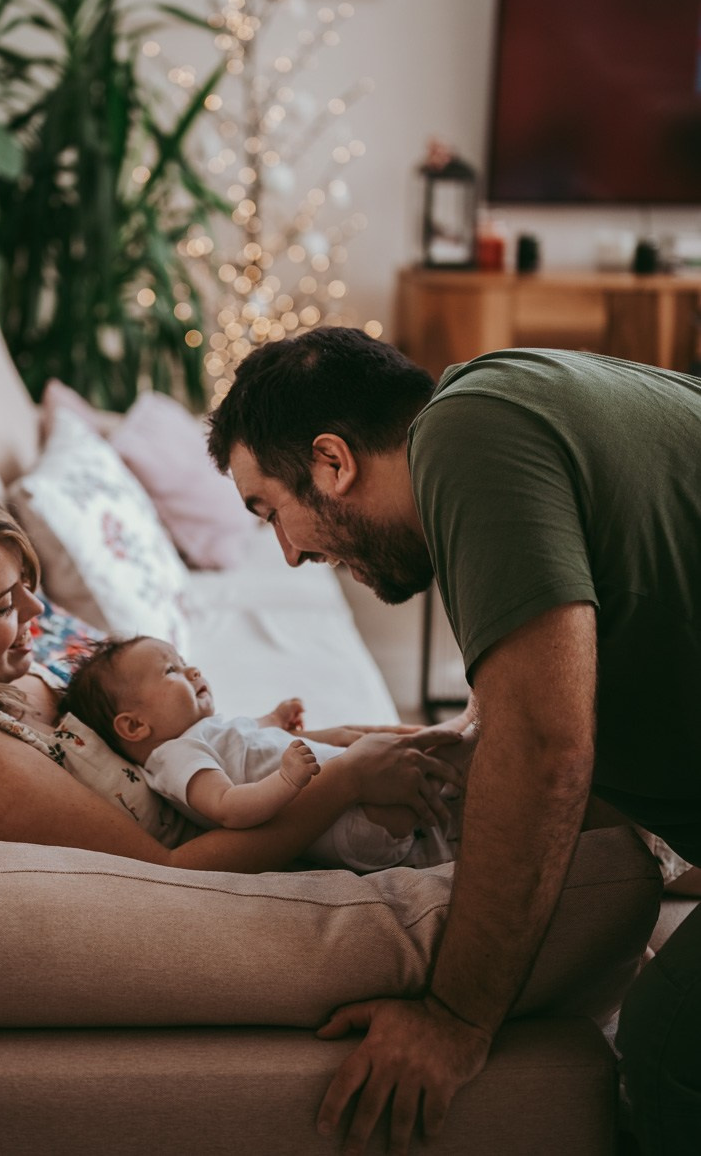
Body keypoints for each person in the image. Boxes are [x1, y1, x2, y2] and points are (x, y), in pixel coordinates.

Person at [207, 327, 701, 1156]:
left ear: (332, 462)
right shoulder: (498, 403)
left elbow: (548, 750)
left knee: (667, 1042)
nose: (290, 554)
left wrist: (457, 1017)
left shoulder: (469, 437)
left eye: (271, 514)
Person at [0, 470, 463, 877]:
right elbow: (172, 872)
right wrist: (347, 777)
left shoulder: (22, 680)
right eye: (6, 604)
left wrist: (350, 743)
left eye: (27, 586)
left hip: (267, 801)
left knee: (470, 751)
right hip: (274, 857)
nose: (37, 611)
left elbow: (183, 745)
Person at [64, 633, 466, 871]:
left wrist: (275, 717)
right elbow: (228, 806)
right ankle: (470, 733)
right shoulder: (174, 757)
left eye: (185, 662)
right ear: (135, 726)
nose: (193, 671)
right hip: (344, 821)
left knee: (412, 763)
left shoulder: (205, 732)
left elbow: (249, 737)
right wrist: (287, 778)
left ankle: (456, 763)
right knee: (441, 764)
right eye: (171, 671)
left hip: (351, 800)